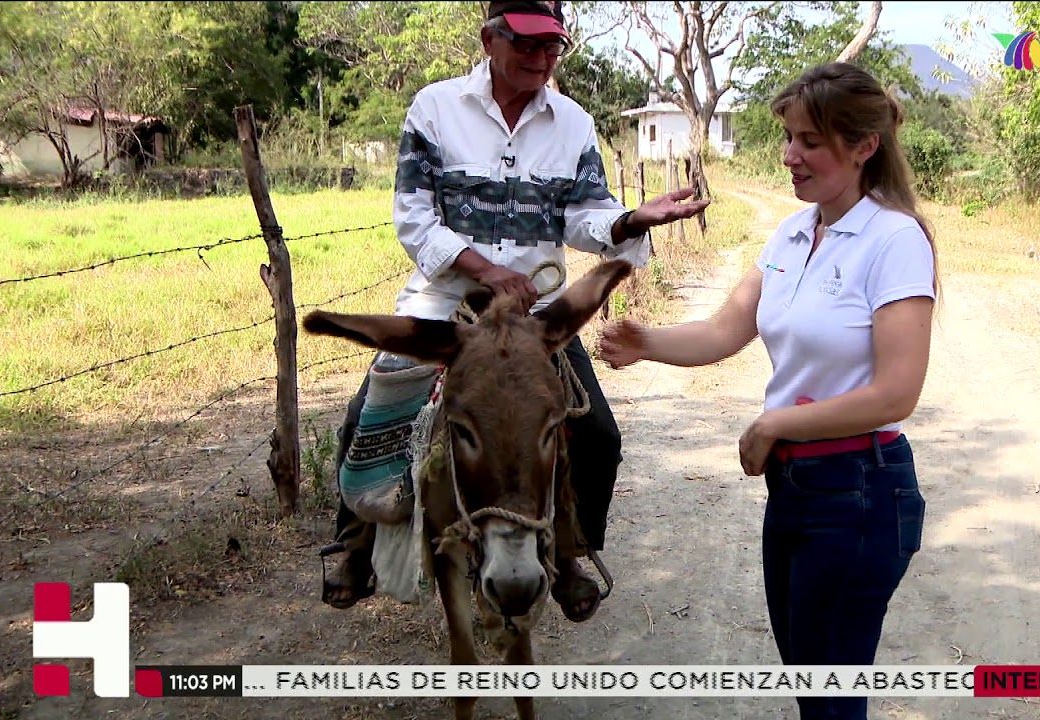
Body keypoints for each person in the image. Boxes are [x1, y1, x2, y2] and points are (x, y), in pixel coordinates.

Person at [321, 0, 710, 624]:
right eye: (524, 44)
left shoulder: (574, 123)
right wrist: (484, 270)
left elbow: (585, 216)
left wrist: (632, 218)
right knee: (365, 418)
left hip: (538, 316)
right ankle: (354, 543)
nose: (539, 58)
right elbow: (413, 218)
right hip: (445, 304)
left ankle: (568, 553)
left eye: (550, 46)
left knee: (598, 438)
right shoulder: (435, 109)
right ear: (488, 41)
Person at [599, 62, 937, 720]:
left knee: (830, 704)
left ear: (864, 146)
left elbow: (897, 393)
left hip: (860, 493)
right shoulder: (791, 232)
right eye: (789, 138)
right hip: (796, 491)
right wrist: (648, 344)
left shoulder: (894, 240)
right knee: (815, 692)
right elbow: (728, 329)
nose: (790, 156)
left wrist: (775, 424)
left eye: (810, 141)